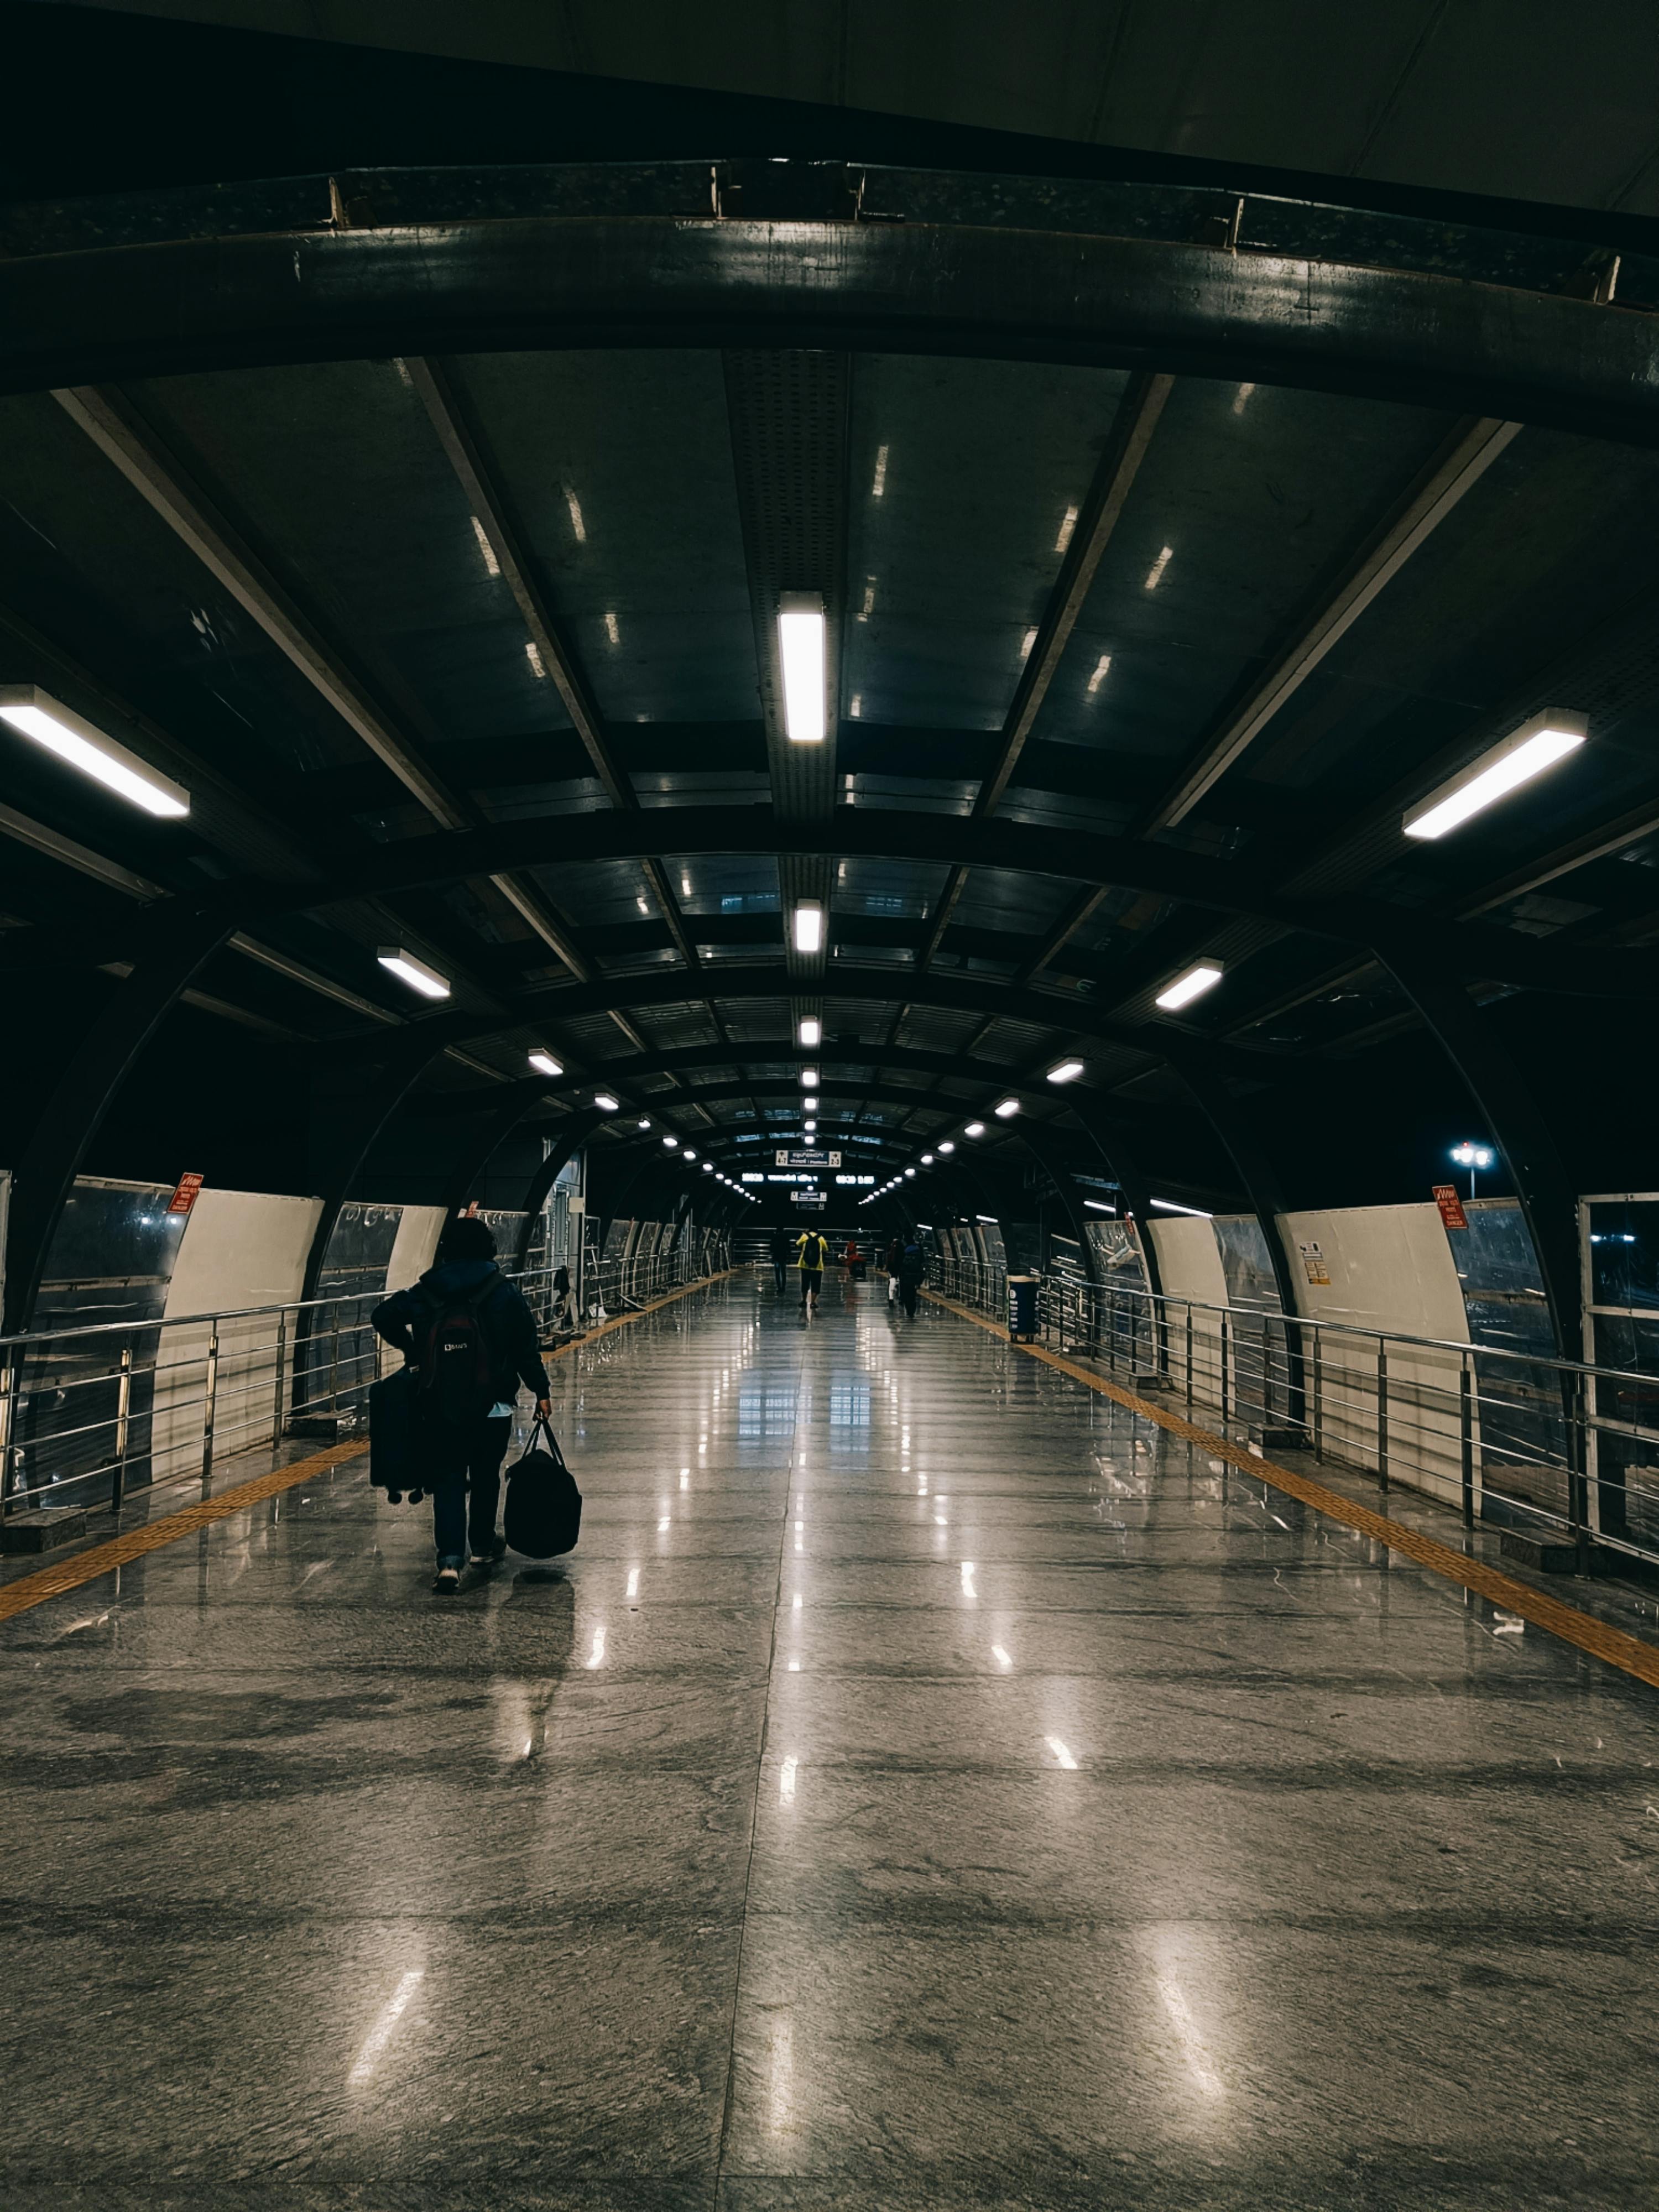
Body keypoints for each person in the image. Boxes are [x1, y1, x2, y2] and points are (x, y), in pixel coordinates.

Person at [372, 1216, 552, 1594]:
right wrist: (541, 1390)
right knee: (486, 1475)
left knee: (448, 1477)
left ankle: (450, 1562)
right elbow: (525, 1347)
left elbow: (383, 1316)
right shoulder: (503, 1291)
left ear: (446, 1250)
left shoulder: (427, 1290)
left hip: (438, 1403)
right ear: (489, 1248)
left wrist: (413, 1351)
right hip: (494, 1406)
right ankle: (483, 1546)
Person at [795, 1227, 830, 1314]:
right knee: (816, 1284)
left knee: (805, 1283)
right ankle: (813, 1302)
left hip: (805, 1265)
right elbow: (826, 1249)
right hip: (818, 1266)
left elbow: (797, 1244)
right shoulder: (821, 1238)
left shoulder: (805, 1236)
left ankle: (804, 1301)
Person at [898, 1235, 925, 1319]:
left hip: (906, 1276)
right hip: (915, 1276)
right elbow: (922, 1262)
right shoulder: (919, 1251)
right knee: (913, 1294)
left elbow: (901, 1264)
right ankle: (912, 1310)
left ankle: (909, 1310)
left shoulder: (905, 1252)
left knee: (907, 1293)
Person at [769, 1224, 792, 1295]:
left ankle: (779, 1287)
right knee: (783, 1272)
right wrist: (789, 1258)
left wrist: (772, 1258)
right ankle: (783, 1287)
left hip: (776, 1257)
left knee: (777, 1273)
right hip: (784, 1257)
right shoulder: (786, 1237)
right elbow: (789, 1249)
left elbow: (771, 1249)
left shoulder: (774, 1237)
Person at [884, 1234, 903, 1306]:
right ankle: (901, 1298)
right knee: (900, 1282)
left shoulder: (891, 1245)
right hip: (900, 1267)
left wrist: (887, 1267)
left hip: (892, 1268)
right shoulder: (902, 1245)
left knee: (892, 1282)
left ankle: (891, 1298)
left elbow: (888, 1257)